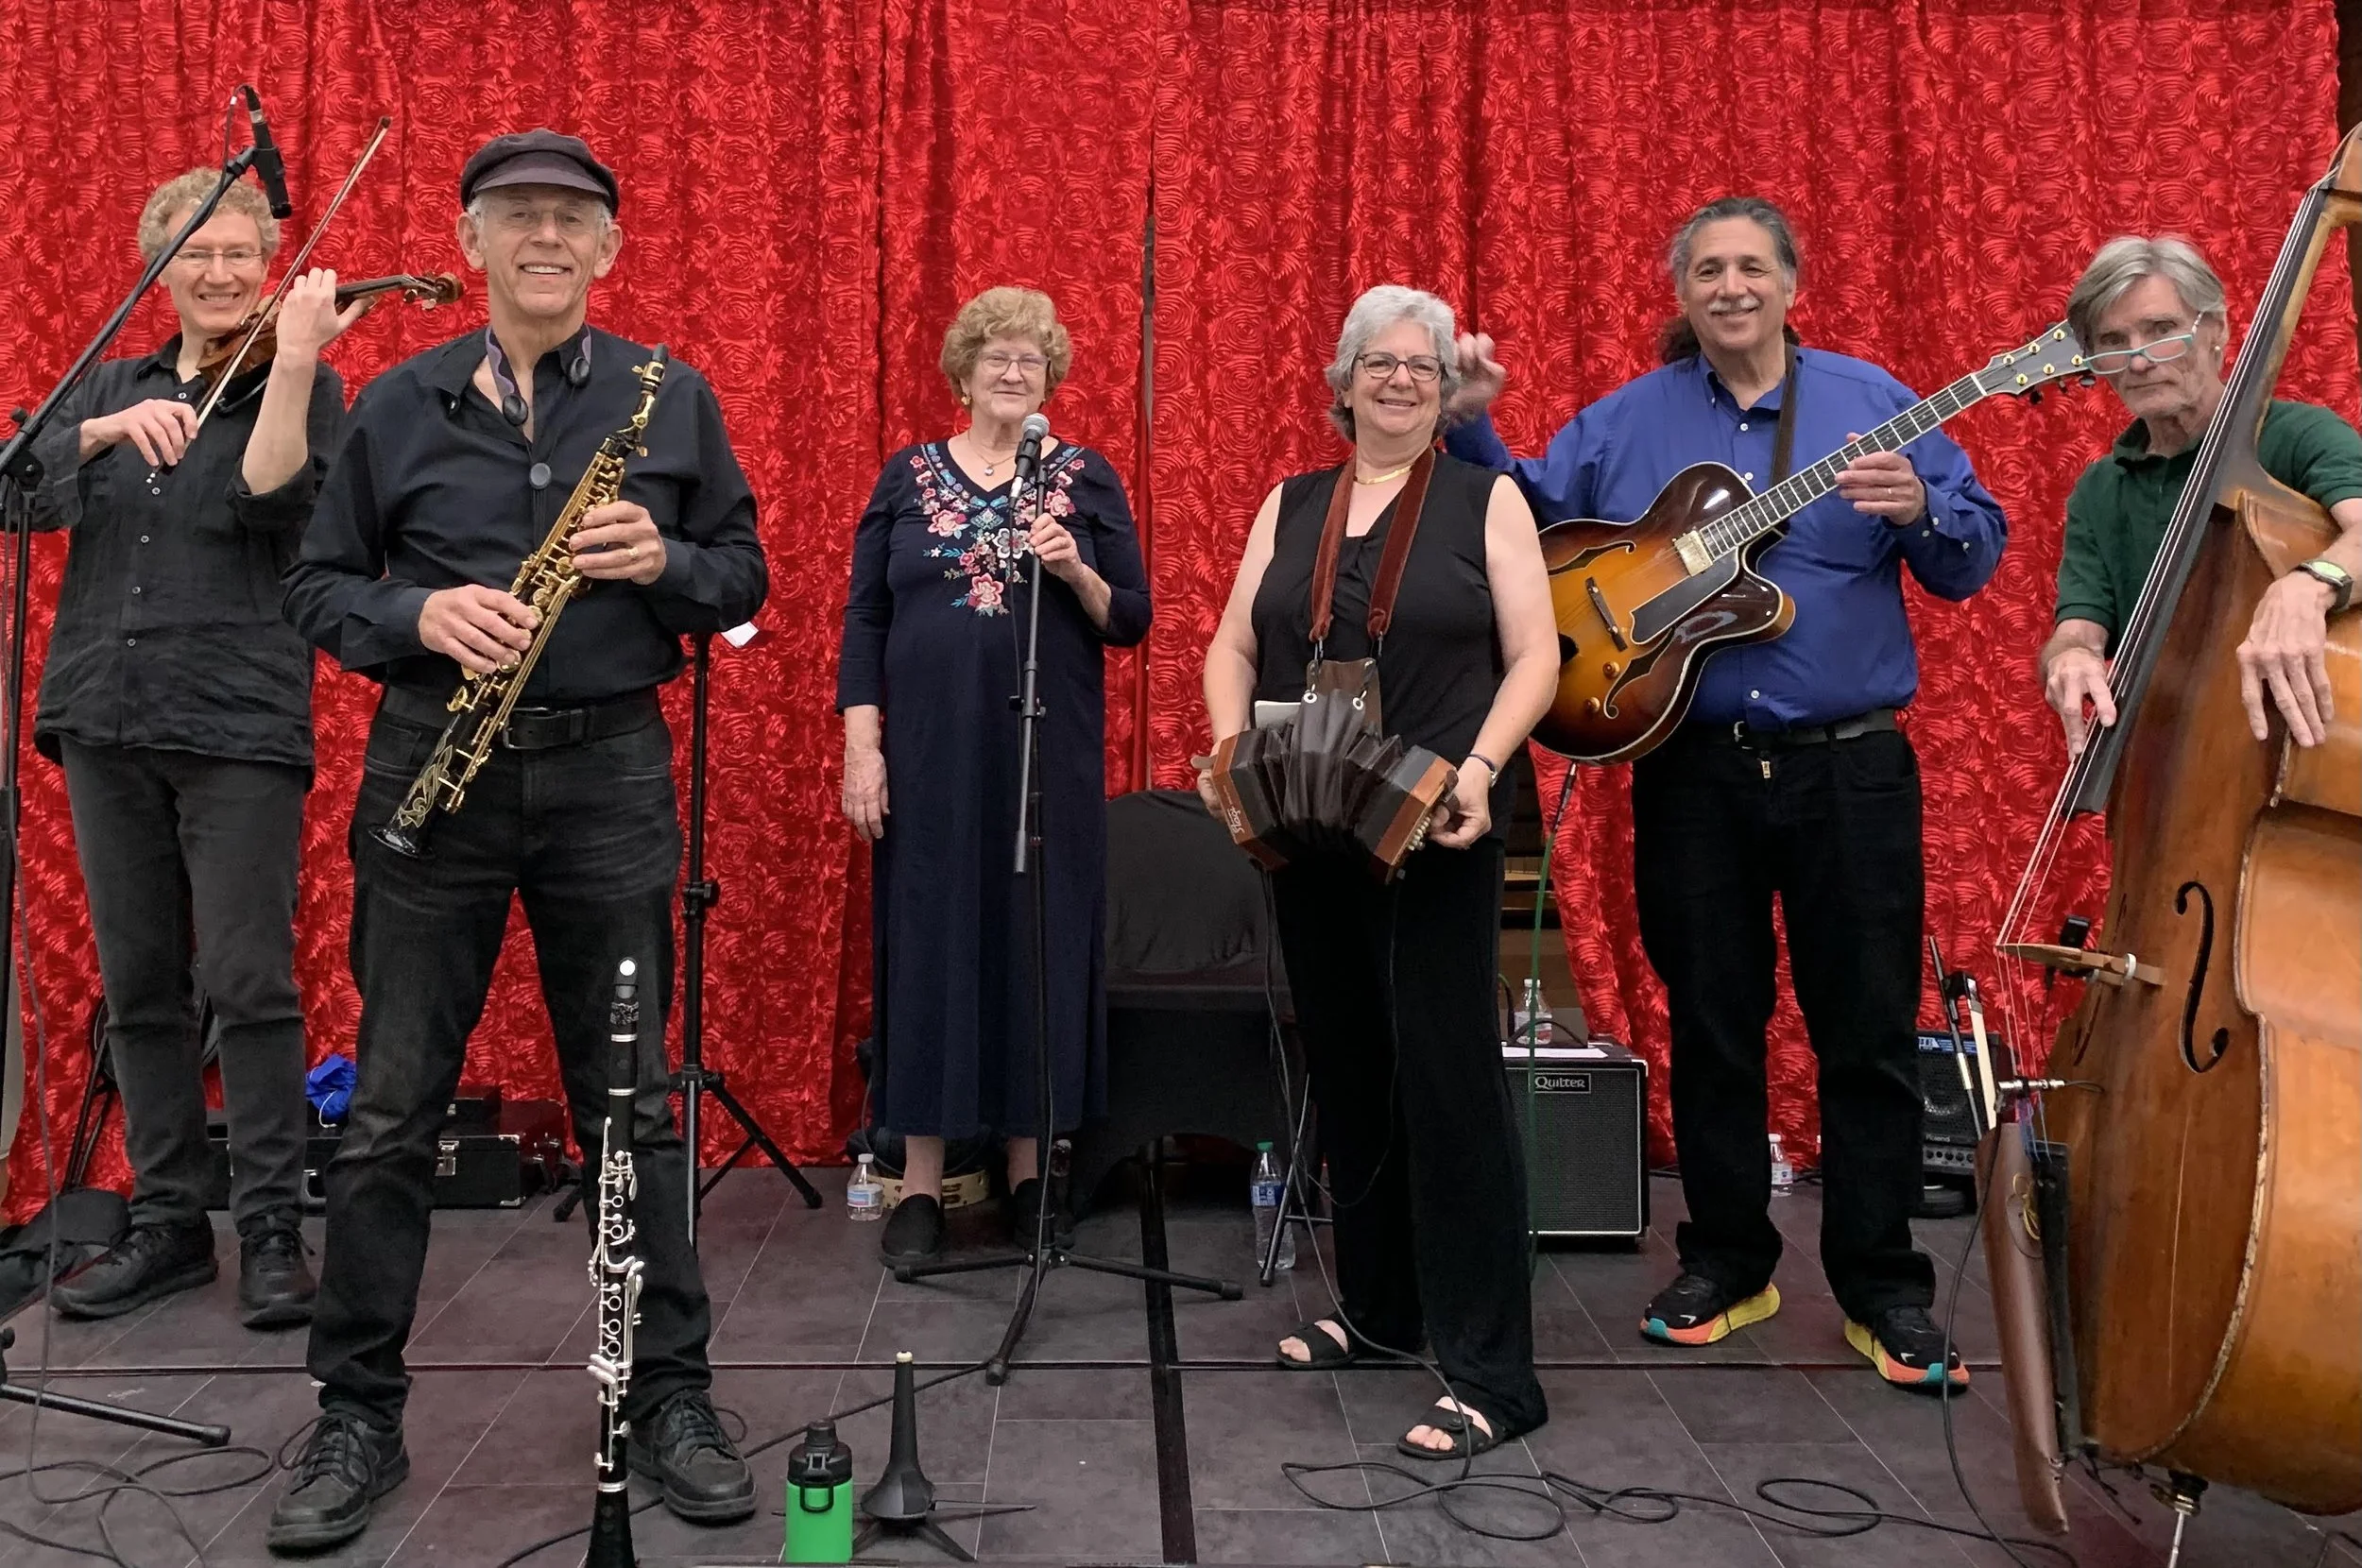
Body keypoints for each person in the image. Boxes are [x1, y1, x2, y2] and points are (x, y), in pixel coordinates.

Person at [269, 130, 763, 1552]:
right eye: (516, 215)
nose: (545, 236)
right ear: (470, 243)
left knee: (634, 1106)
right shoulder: (398, 402)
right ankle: (355, 1414)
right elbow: (314, 585)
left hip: (610, 775)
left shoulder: (672, 399)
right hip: (434, 768)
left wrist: (669, 562)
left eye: (571, 218)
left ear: (608, 248)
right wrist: (414, 615)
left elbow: (743, 578)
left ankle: (670, 1395)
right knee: (389, 1111)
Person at [1445, 196, 2008, 1390]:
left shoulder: (1874, 403)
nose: (1730, 285)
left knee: (1866, 1029)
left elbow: (1970, 561)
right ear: (1682, 292)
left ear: (1792, 283)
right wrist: (1472, 423)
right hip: (1691, 769)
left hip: (1849, 768)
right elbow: (1534, 523)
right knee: (1709, 1022)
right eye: (1707, 269)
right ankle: (1726, 1261)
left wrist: (1926, 512)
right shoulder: (1631, 417)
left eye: (1751, 265)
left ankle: (1883, 1287)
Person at [1198, 284, 1559, 1457]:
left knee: (1450, 1085)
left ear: (1445, 391)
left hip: (1434, 826)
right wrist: (1228, 751)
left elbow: (1536, 655)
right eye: (1379, 362)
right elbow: (1233, 641)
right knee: (1352, 1074)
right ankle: (1381, 1309)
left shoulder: (1485, 498)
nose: (1399, 380)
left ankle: (1495, 1373)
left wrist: (1481, 769)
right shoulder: (1290, 501)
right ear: (1341, 380)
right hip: (1307, 824)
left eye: (1422, 366)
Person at [25, 170, 354, 1330]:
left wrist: (296, 361)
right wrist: (101, 430)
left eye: (238, 255)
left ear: (268, 268)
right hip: (102, 712)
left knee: (250, 980)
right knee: (137, 985)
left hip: (236, 722)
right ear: (155, 270)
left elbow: (275, 504)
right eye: (194, 254)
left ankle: (267, 1227)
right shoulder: (107, 385)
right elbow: (13, 488)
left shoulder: (303, 383)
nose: (218, 274)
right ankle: (167, 1219)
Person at [837, 286, 1150, 1268]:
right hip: (929, 759)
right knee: (928, 947)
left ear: (1049, 379)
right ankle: (920, 1184)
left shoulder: (1084, 478)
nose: (1014, 372)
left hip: (1045, 760)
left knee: (1035, 947)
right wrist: (862, 746)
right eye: (996, 357)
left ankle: (1029, 1174)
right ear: (963, 373)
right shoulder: (906, 475)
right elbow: (865, 618)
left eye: (1031, 359)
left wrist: (1076, 571)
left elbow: (1131, 618)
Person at [2042, 235, 2362, 755]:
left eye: (2161, 330)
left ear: (2217, 329)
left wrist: (2310, 583)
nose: (2139, 361)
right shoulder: (2101, 489)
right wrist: (2069, 657)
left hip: (2310, 746)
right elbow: (2079, 627)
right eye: (2114, 341)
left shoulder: (2298, 436)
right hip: (2170, 758)